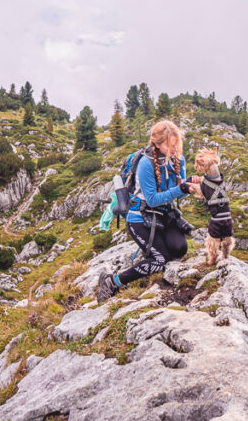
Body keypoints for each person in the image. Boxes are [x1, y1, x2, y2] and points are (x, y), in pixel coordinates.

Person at [97, 120, 197, 301]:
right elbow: (151, 200)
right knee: (159, 260)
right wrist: (179, 189)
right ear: (157, 144)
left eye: (177, 145)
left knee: (180, 249)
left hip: (164, 216)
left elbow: (178, 195)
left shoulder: (178, 160)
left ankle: (152, 250)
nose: (175, 149)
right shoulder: (145, 164)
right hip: (140, 218)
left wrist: (188, 187)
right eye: (171, 145)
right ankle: (114, 281)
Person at [190, 148, 234, 265]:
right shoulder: (222, 181)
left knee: (211, 242)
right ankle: (225, 256)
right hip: (228, 219)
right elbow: (208, 182)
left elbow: (200, 192)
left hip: (216, 221)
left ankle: (212, 260)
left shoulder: (205, 185)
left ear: (204, 165)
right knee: (227, 239)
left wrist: (188, 184)